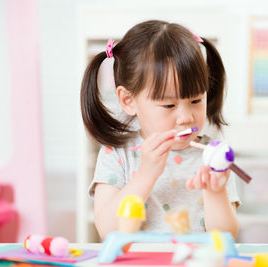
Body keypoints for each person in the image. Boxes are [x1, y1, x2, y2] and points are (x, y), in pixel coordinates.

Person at [80, 20, 240, 240]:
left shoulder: (212, 155)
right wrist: (146, 174)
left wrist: (216, 192)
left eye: (196, 100)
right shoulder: (117, 154)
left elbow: (226, 237)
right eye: (169, 105)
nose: (186, 117)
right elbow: (109, 231)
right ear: (128, 100)